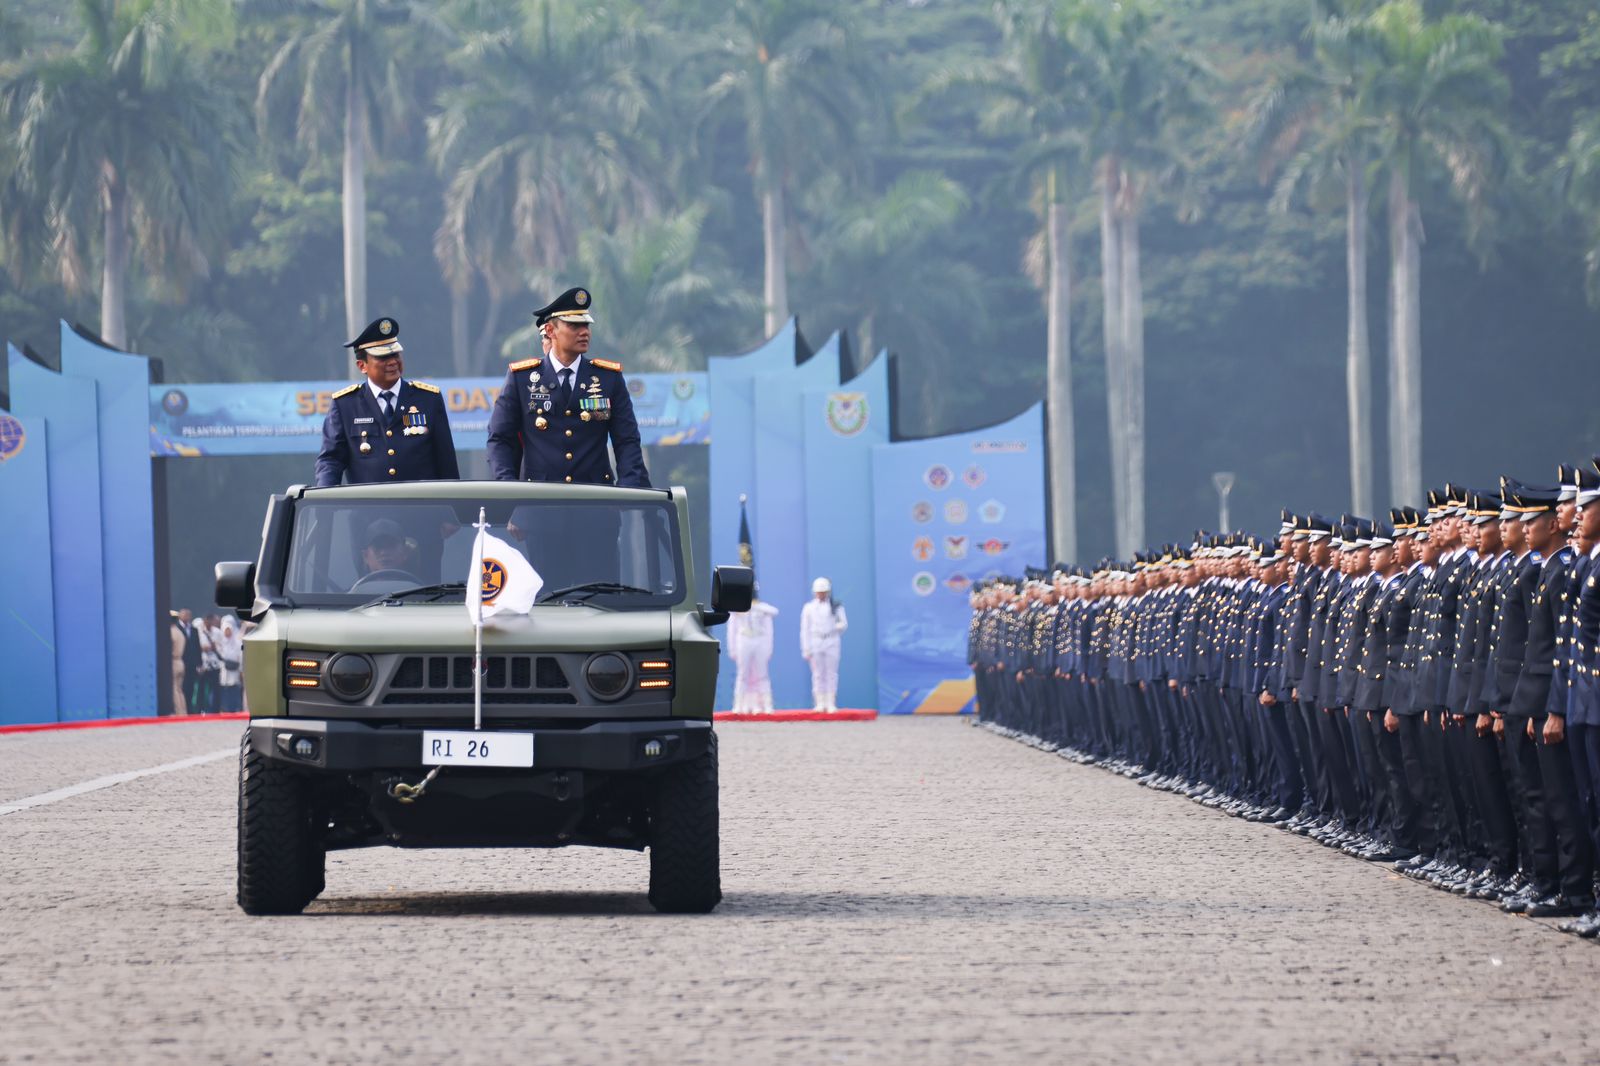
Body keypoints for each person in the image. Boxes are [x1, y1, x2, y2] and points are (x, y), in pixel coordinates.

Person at [486, 287, 650, 488]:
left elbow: (627, 441)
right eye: (574, 325)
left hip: (596, 502)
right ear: (550, 330)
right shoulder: (521, 378)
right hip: (536, 505)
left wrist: (628, 490)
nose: (584, 332)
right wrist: (508, 487)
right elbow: (500, 439)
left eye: (586, 326)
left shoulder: (608, 378)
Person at [315, 316, 460, 486]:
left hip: (420, 509)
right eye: (383, 357)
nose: (392, 362)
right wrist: (324, 500)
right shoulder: (345, 405)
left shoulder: (428, 399)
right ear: (362, 366)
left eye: (395, 354)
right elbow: (331, 461)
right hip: (368, 510)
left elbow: (446, 463)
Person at [801, 577, 848, 712]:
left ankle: (830, 702)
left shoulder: (836, 606)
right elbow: (805, 629)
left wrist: (835, 625)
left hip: (831, 640)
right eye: (819, 592)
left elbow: (844, 624)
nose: (821, 594)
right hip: (816, 641)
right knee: (817, 673)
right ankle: (819, 702)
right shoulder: (809, 608)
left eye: (824, 592)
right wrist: (806, 648)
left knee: (831, 673)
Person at [728, 592, 779, 713]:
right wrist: (732, 648)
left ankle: (765, 704)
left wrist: (755, 606)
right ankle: (739, 704)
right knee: (743, 674)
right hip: (744, 639)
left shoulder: (763, 608)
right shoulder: (738, 608)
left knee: (761, 674)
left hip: (759, 640)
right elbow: (732, 630)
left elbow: (774, 614)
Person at [216, 616, 243, 713]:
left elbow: (240, 657)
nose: (227, 632)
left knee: (234, 689)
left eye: (229, 630)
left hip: (235, 670)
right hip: (224, 670)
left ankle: (234, 708)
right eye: (226, 630)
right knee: (225, 690)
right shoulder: (221, 642)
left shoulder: (237, 643)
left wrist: (241, 670)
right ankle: (225, 709)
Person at [169, 610, 192, 715]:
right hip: (180, 662)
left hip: (173, 661)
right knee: (179, 689)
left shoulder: (170, 632)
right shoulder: (179, 632)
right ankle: (183, 711)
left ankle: (178, 712)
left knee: (174, 690)